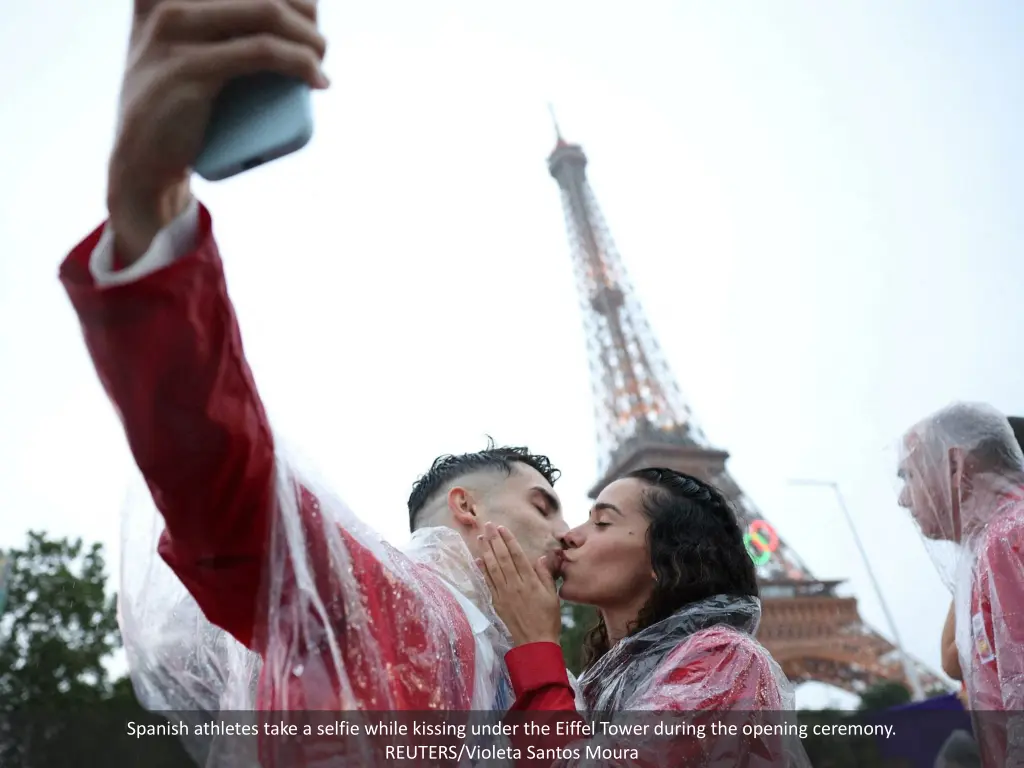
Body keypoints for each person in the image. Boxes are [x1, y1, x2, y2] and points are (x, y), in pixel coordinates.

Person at [60, 1, 575, 765]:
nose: (568, 533)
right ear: (465, 509)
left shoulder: (505, 666)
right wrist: (149, 208)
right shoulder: (392, 602)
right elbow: (228, 488)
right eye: (542, 503)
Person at [479, 467, 811, 767]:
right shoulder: (602, 682)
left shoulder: (724, 657)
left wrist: (536, 646)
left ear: (666, 558)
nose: (570, 535)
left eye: (602, 523)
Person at [897, 403, 1024, 768]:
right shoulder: (995, 542)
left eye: (908, 475)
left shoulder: (1006, 540)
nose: (902, 498)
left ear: (954, 466)